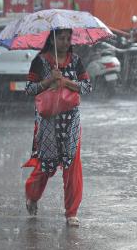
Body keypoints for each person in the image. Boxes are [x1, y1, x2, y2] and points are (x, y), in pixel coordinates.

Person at [23, 28, 92, 227]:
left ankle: (71, 212)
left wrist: (66, 82)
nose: (65, 42)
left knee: (72, 165)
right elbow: (29, 89)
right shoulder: (40, 61)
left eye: (68, 38)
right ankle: (32, 195)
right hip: (48, 121)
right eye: (61, 38)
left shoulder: (76, 60)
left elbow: (87, 86)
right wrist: (48, 81)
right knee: (47, 164)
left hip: (71, 120)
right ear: (52, 41)